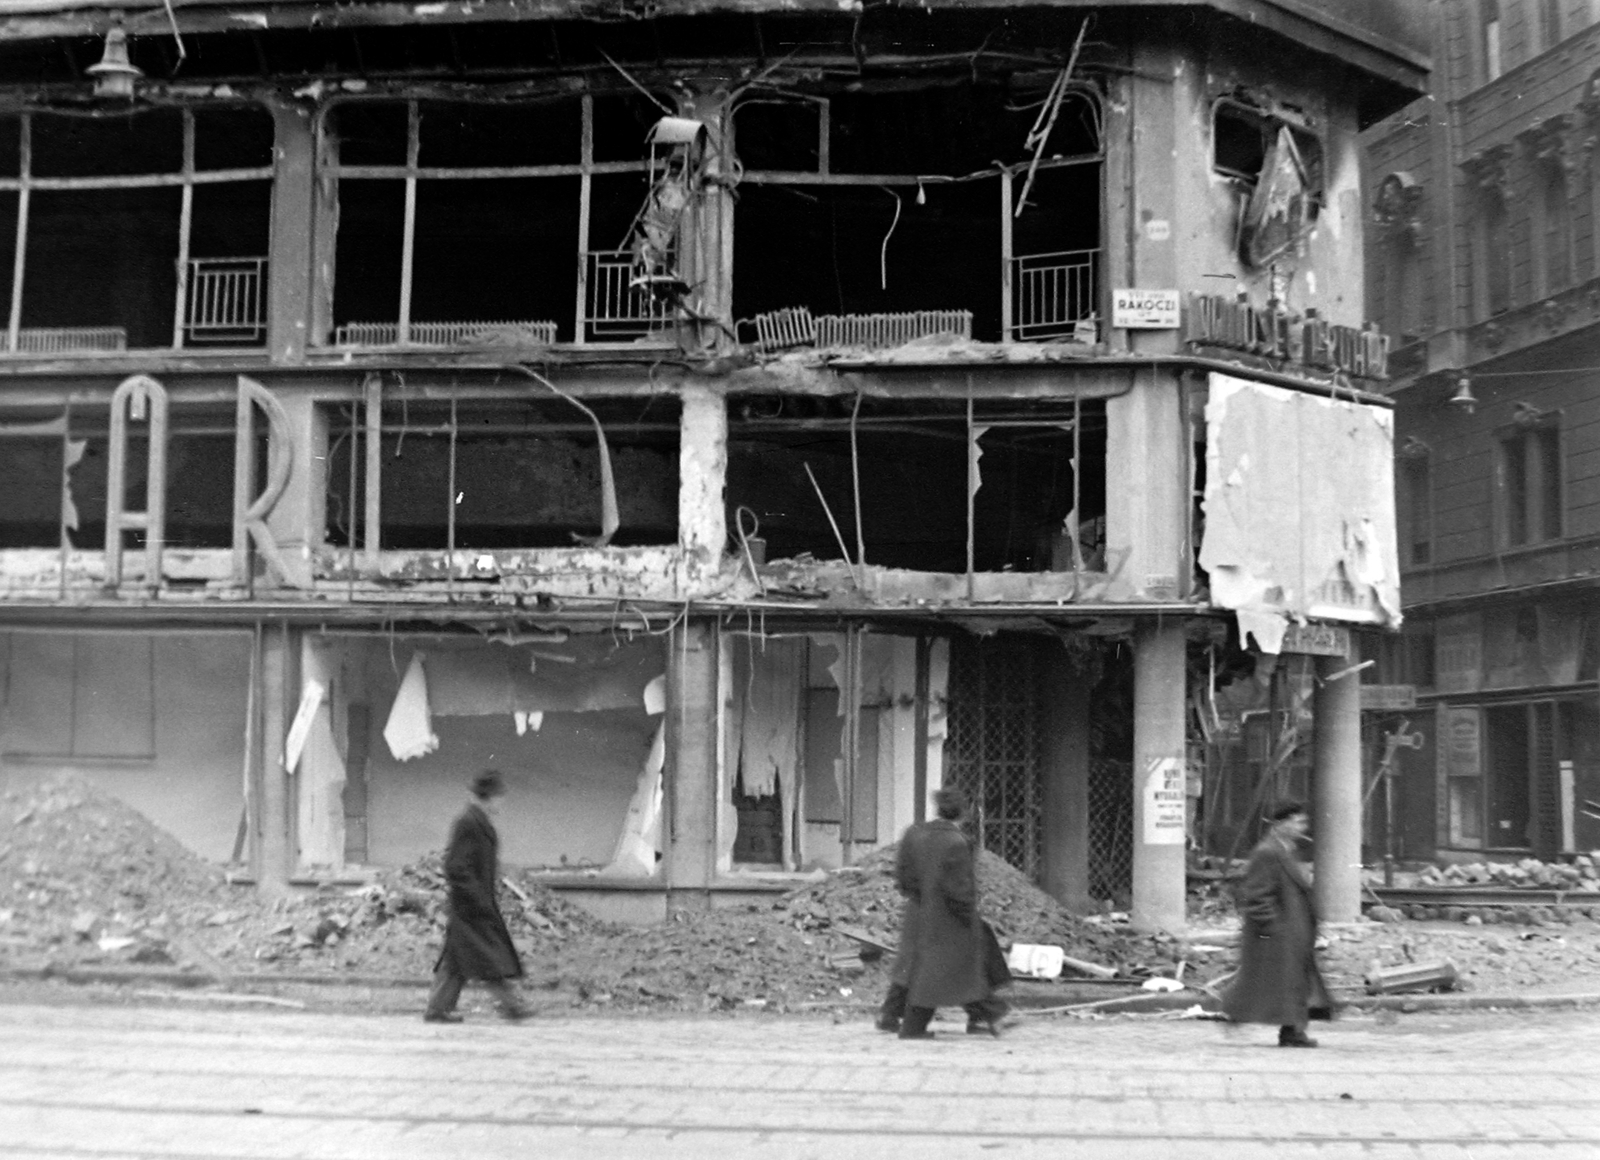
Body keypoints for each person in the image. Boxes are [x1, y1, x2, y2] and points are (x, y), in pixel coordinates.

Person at [876, 788, 1010, 1039]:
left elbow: (904, 877)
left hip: (918, 911)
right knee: (956, 969)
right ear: (964, 813)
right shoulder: (958, 843)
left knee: (914, 966)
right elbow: (959, 889)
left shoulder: (913, 834)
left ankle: (892, 1015)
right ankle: (986, 1013)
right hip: (947, 917)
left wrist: (919, 898)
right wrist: (969, 917)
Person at [1222, 799, 1334, 1047]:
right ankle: (1284, 1029)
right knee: (1282, 983)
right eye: (1296, 822)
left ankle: (1290, 1030)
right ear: (1280, 824)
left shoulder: (1284, 850)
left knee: (1290, 983)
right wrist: (1274, 928)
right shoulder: (1268, 852)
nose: (1301, 827)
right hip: (1279, 933)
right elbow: (1258, 895)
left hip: (1291, 931)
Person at [423, 769, 530, 1023]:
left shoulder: (476, 821)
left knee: (458, 958)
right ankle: (511, 1007)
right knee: (488, 955)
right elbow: (455, 866)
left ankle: (438, 1009)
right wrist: (476, 897)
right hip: (470, 906)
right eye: (498, 796)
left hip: (472, 903)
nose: (501, 802)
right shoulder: (469, 822)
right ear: (488, 797)